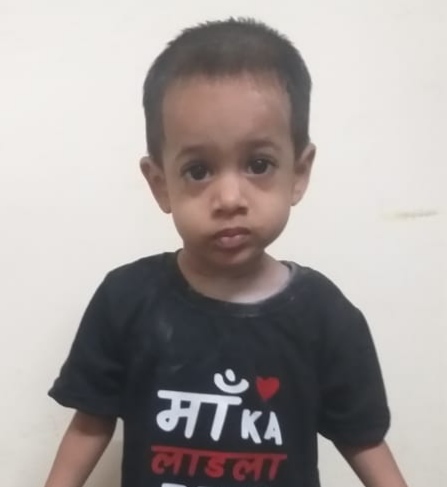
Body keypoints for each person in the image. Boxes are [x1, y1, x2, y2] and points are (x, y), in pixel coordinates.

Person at [44, 18, 408, 487]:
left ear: (299, 173)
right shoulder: (126, 299)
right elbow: (90, 423)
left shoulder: (325, 316)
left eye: (258, 164)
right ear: (160, 184)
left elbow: (363, 440)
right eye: (198, 170)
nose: (230, 198)